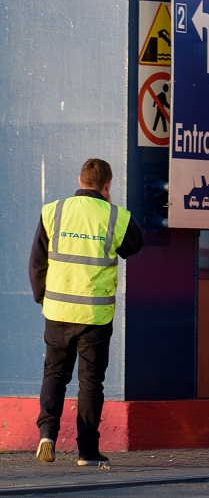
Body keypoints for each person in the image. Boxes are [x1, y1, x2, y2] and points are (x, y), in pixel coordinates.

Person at [28, 158, 144, 468]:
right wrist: (108, 207)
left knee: (54, 374)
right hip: (95, 316)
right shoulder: (115, 216)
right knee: (91, 382)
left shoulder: (54, 211)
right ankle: (87, 451)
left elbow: (37, 262)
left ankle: (47, 435)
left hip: (58, 310)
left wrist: (42, 297)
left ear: (80, 180)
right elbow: (134, 246)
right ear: (108, 185)